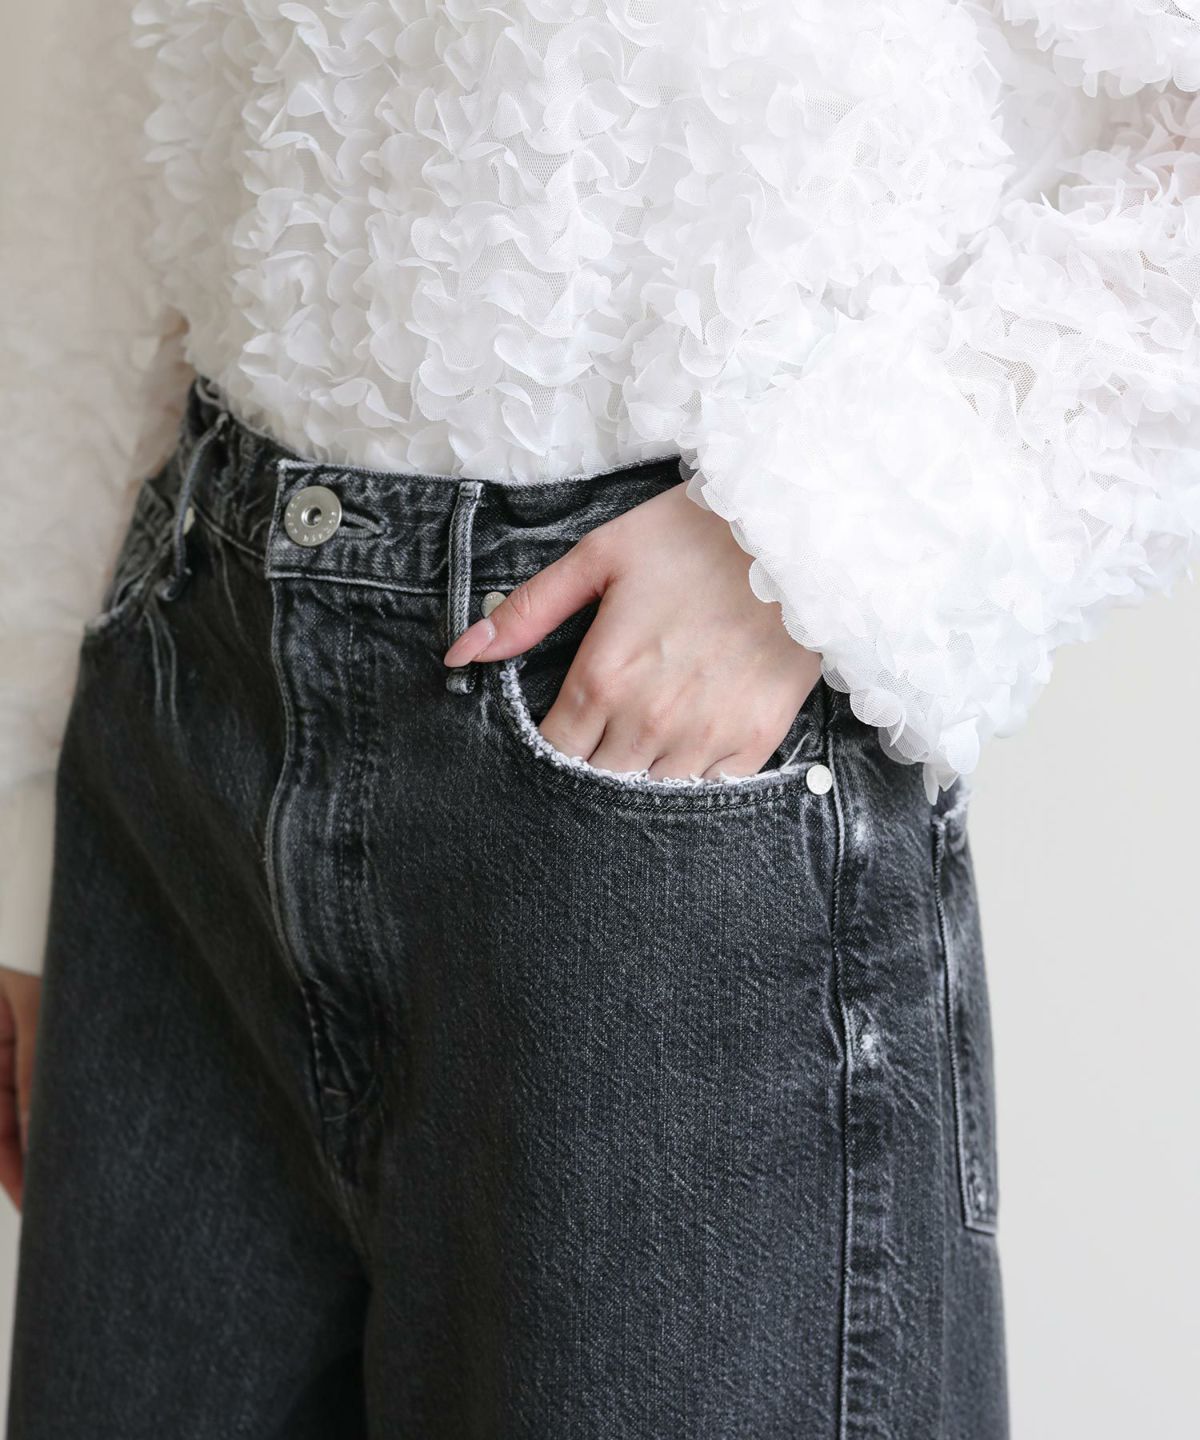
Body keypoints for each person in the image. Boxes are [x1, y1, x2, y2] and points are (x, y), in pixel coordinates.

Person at [0, 2, 1196, 1436]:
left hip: (643, 795)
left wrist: (818, 545)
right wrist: (23, 846)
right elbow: (84, 113)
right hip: (175, 735)